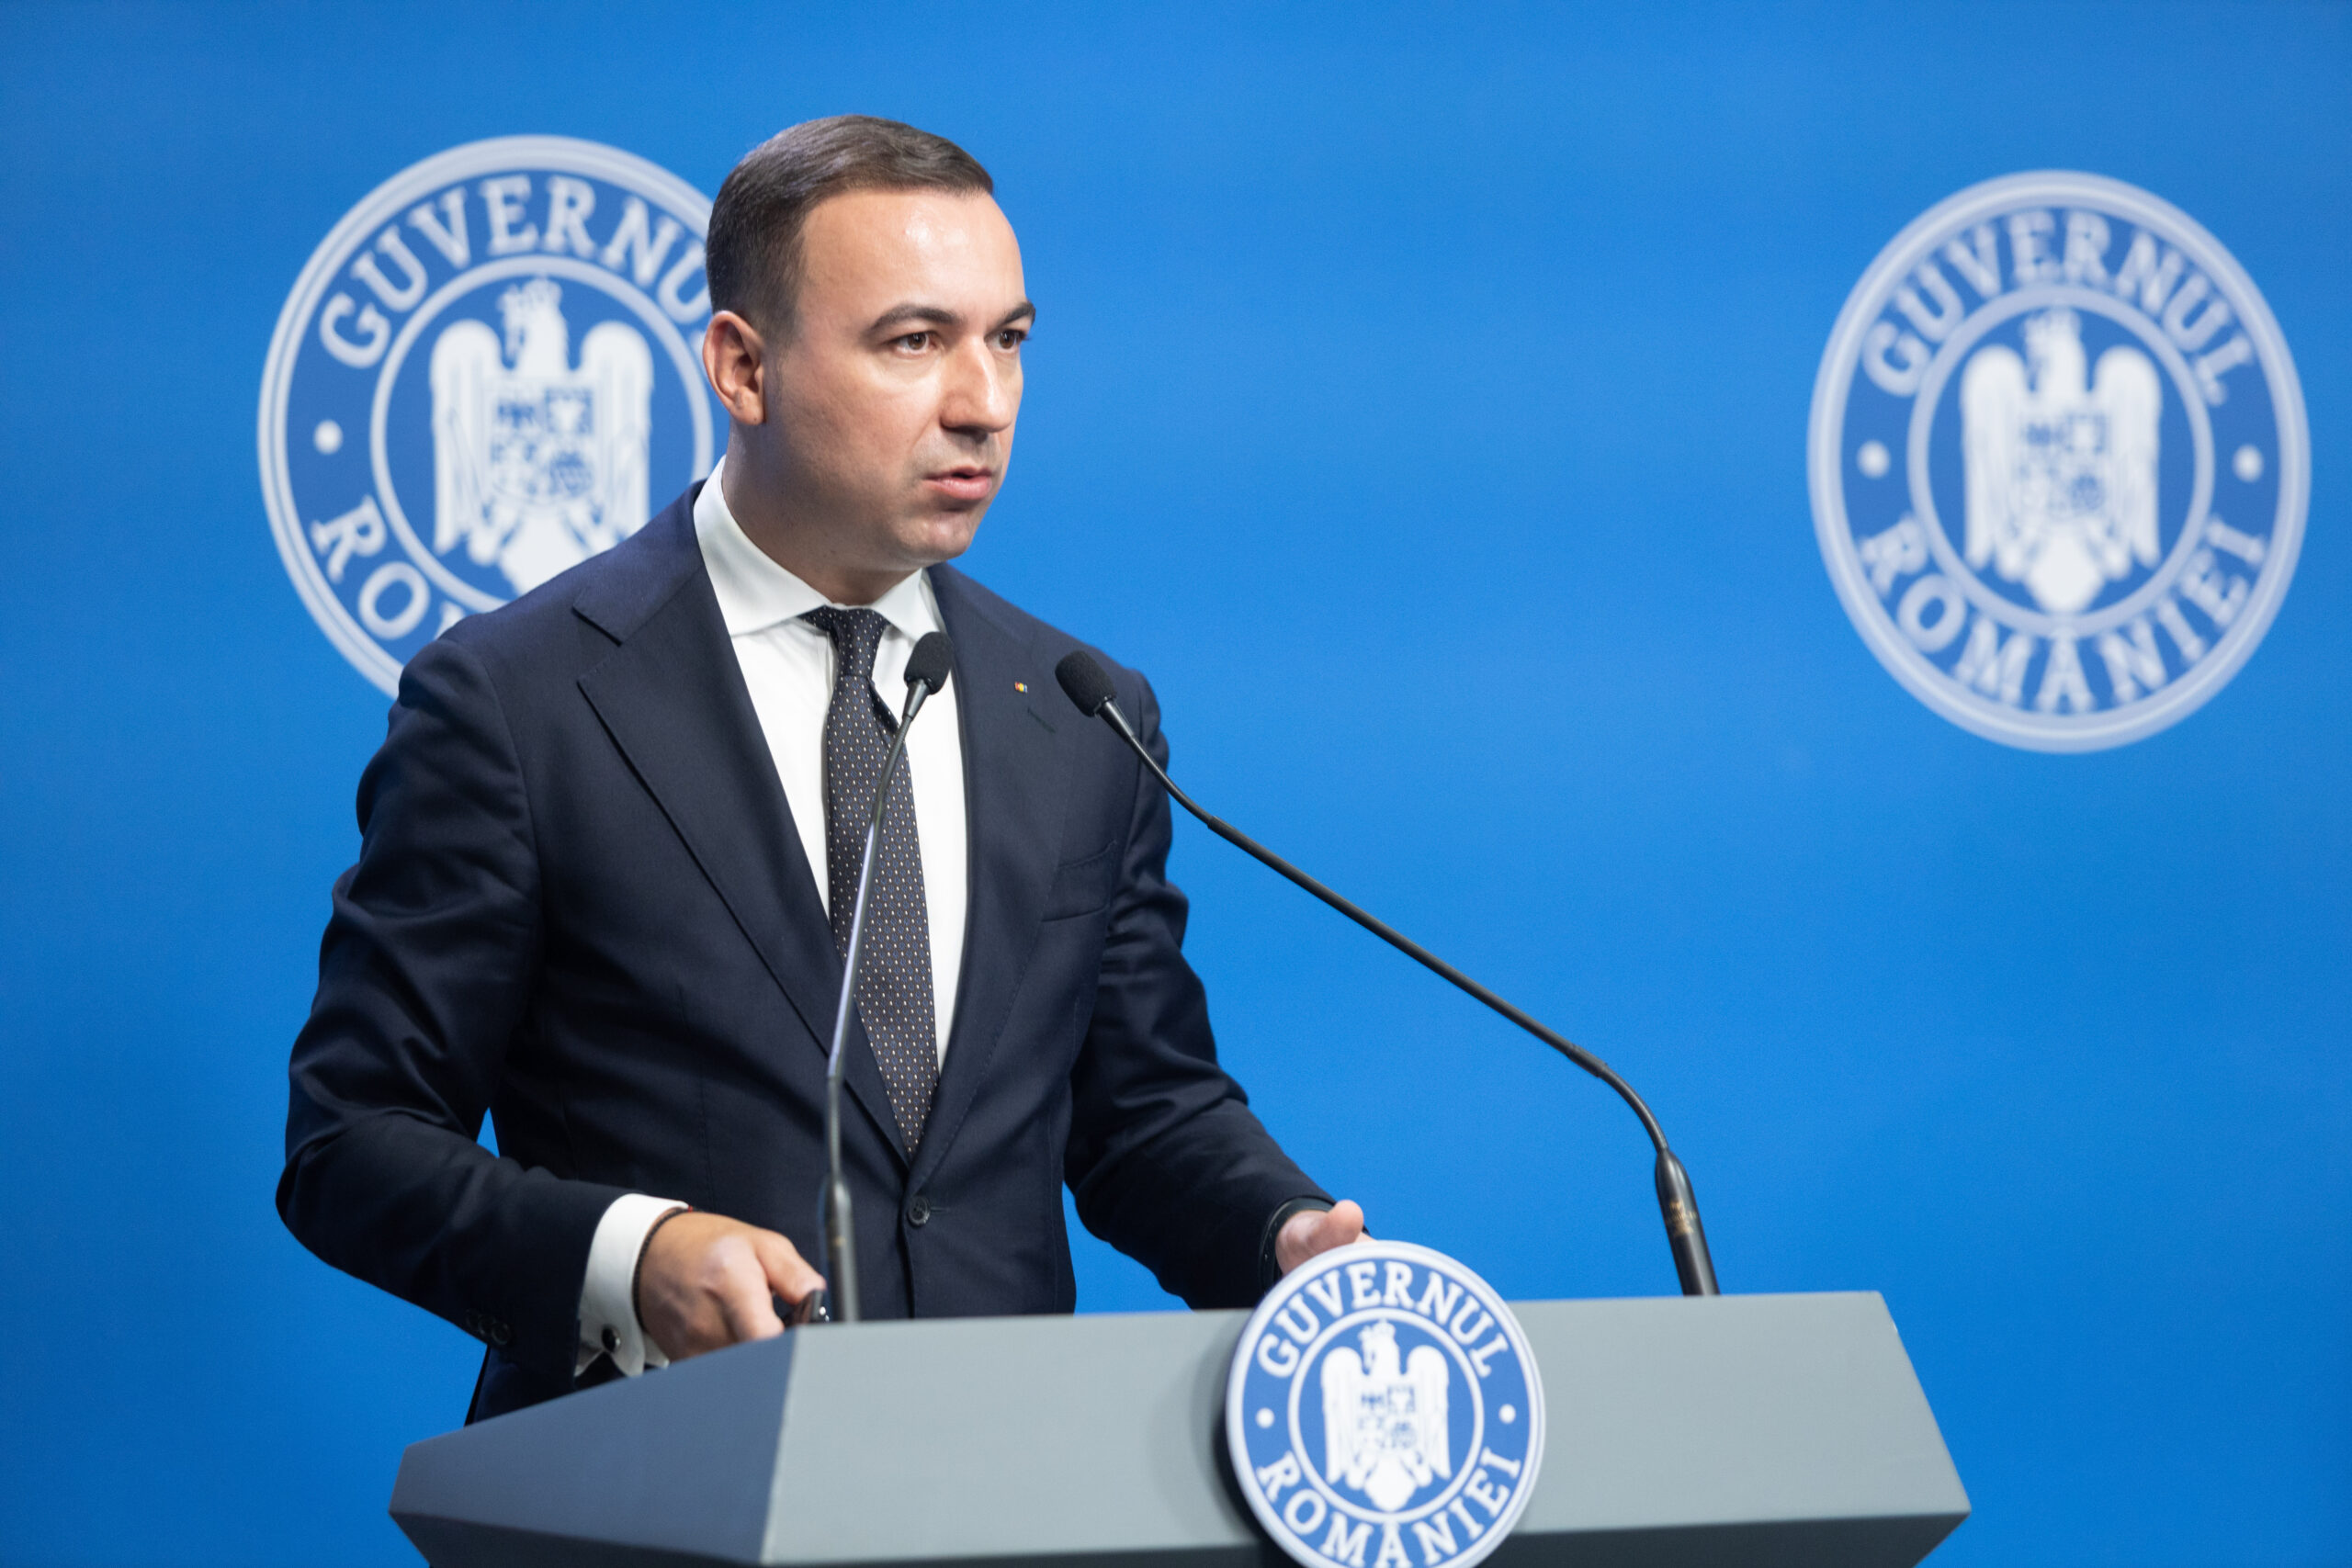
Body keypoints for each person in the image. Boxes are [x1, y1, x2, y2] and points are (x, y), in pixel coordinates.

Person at [278, 116, 1367, 1422]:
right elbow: (354, 1141)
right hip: (657, 1481)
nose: (983, 403)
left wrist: (1279, 1235)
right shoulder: (518, 702)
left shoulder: (1082, 714)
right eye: (914, 342)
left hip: (1008, 1481)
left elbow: (1140, 1112)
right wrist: (633, 1258)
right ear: (744, 368)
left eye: (1008, 340)